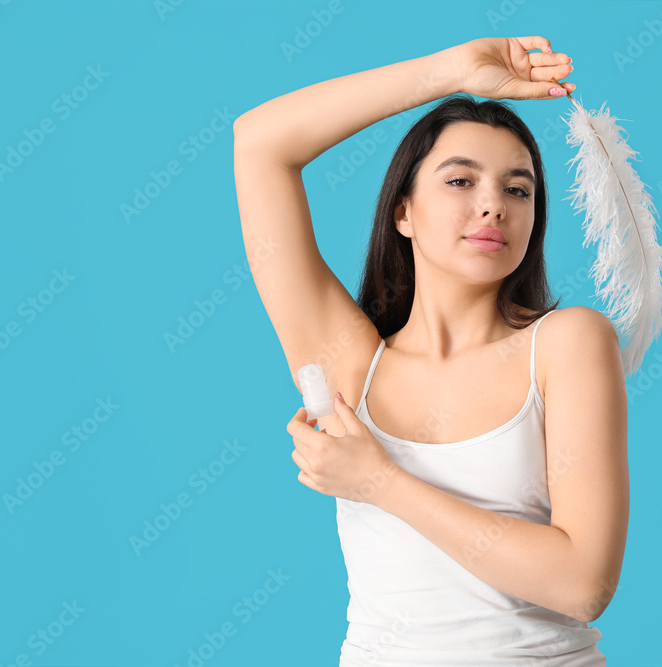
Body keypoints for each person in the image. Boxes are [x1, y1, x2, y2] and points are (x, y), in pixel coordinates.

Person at [233, 36, 628, 665]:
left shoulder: (565, 344)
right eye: (460, 180)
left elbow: (583, 585)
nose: (493, 203)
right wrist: (450, 74)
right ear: (403, 212)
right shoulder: (350, 366)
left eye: (518, 189)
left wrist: (380, 482)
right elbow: (260, 145)